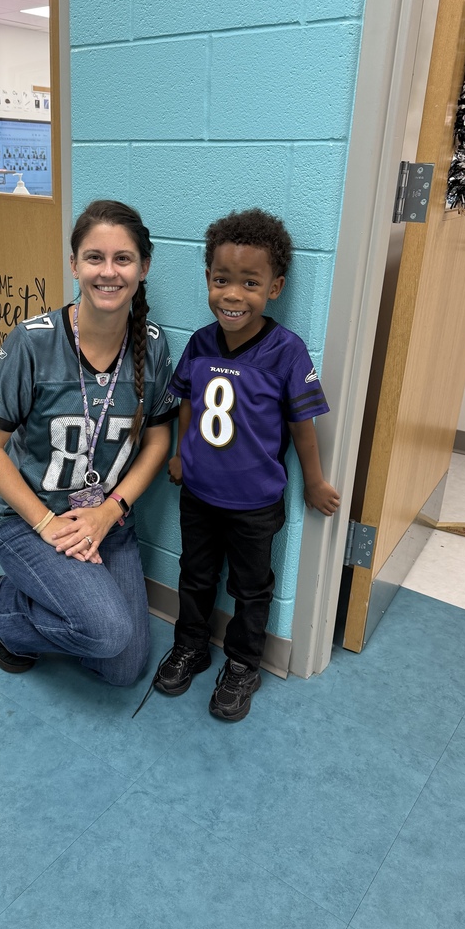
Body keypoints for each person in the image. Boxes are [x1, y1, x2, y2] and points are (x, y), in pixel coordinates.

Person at [0, 200, 178, 687]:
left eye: (123, 259)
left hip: (106, 521)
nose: (109, 272)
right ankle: (9, 612)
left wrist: (110, 511)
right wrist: (44, 524)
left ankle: (50, 598)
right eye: (94, 257)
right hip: (28, 519)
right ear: (74, 264)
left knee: (123, 668)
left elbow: (158, 439)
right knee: (106, 634)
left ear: (144, 267)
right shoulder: (32, 343)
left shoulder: (154, 344)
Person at [152, 207, 340, 721]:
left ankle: (243, 663)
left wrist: (315, 481)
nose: (233, 294)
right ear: (208, 280)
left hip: (255, 503)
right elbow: (188, 399)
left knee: (252, 588)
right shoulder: (200, 341)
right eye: (221, 280)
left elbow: (303, 425)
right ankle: (190, 646)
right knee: (195, 576)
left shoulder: (286, 352)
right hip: (199, 495)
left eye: (250, 283)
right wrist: (180, 452)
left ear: (274, 287)